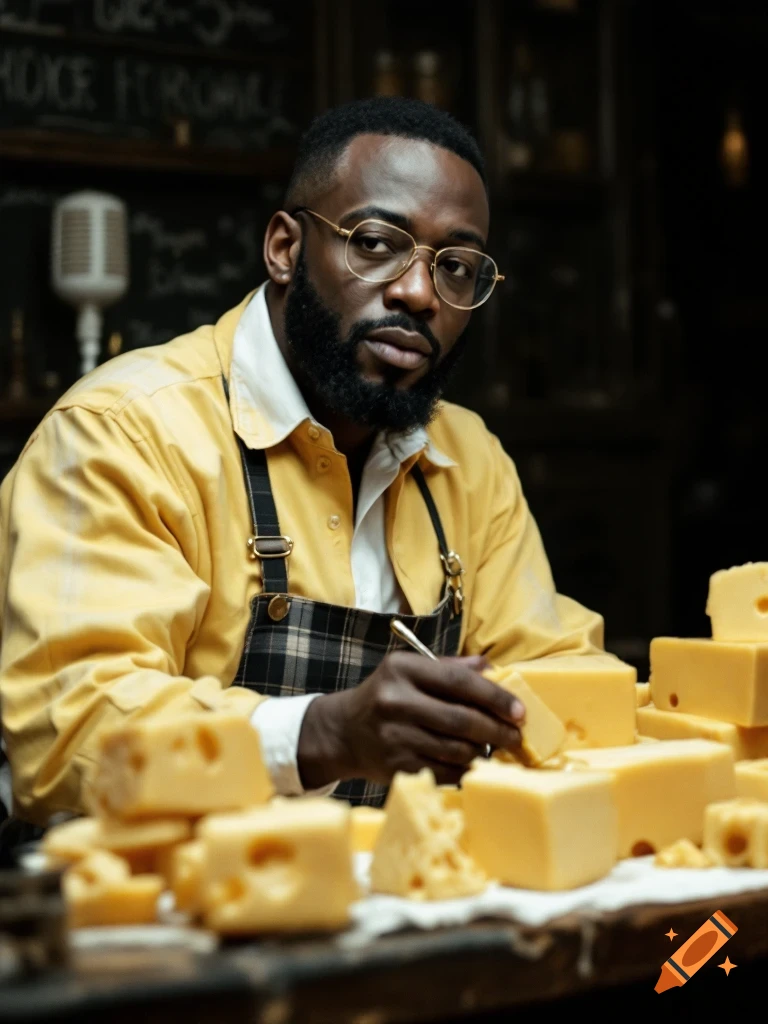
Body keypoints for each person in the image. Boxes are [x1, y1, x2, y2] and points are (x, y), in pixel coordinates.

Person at [0, 97, 605, 825]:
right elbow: (69, 740)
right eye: (377, 243)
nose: (418, 294)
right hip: (158, 915)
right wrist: (325, 734)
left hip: (394, 913)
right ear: (285, 248)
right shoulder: (123, 434)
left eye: (456, 267)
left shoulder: (468, 459)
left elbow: (558, 680)